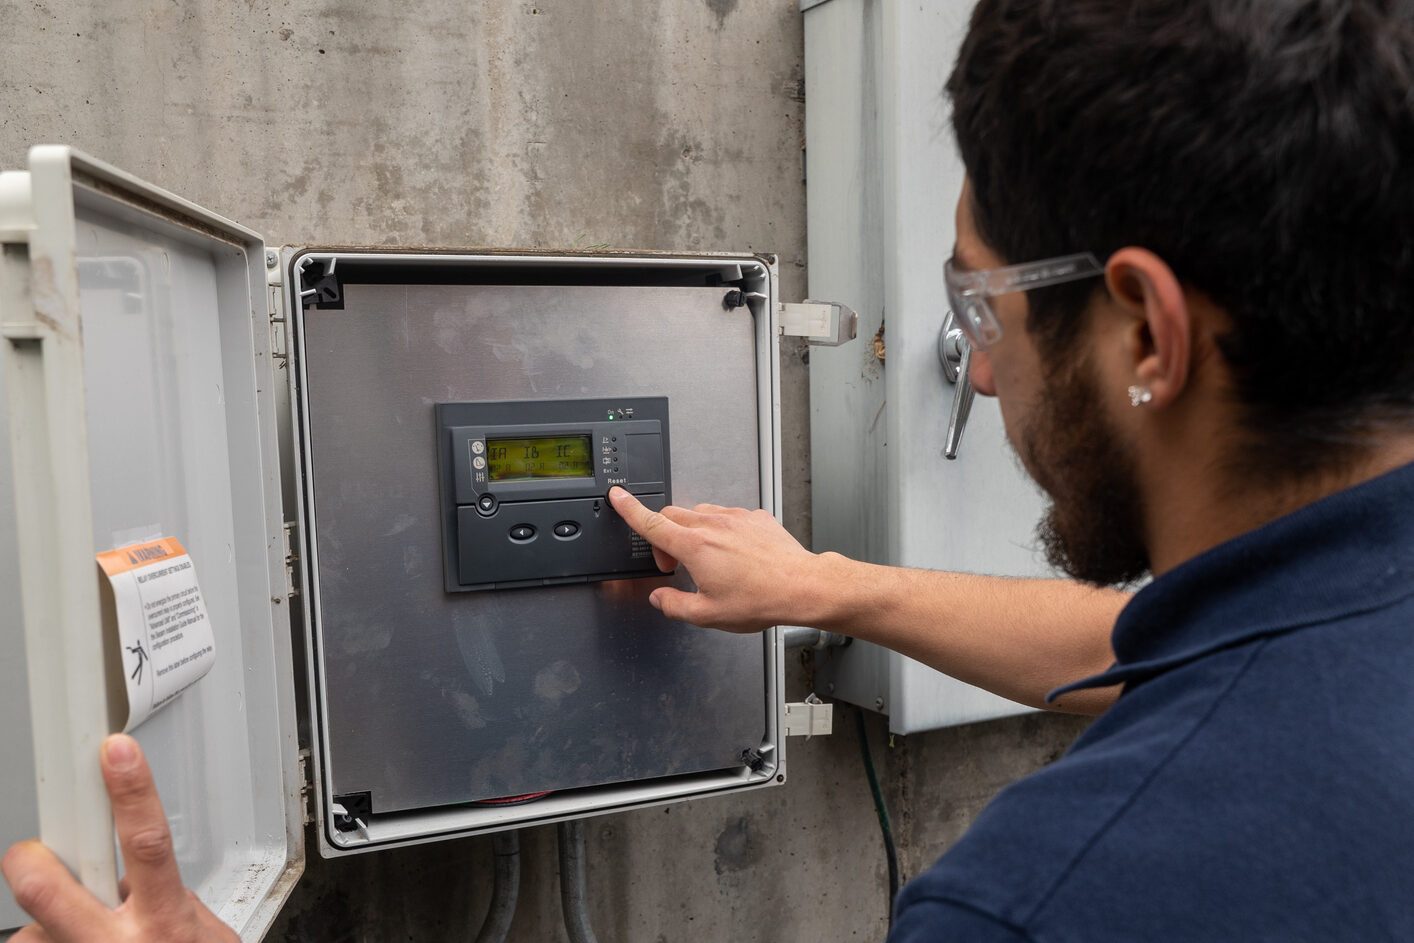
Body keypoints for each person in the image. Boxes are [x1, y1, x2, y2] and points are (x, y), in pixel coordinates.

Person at [7, 0, 1414, 939]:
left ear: (1145, 330)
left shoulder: (1057, 899)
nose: (975, 367)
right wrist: (830, 589)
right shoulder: (1336, 631)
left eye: (979, 305)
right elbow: (1177, 649)